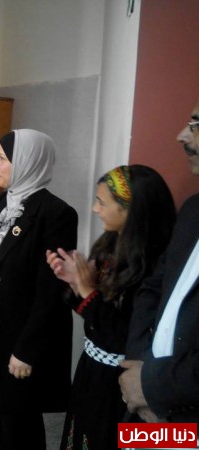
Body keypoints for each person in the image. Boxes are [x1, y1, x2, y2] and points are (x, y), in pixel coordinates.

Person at [0, 129, 77, 450]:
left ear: (26, 162)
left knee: (21, 420)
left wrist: (27, 349)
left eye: (2, 158)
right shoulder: (0, 202)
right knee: (0, 410)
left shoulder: (56, 214)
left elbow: (51, 293)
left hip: (20, 337)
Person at [46, 165, 176, 450]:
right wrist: (75, 284)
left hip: (121, 380)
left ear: (132, 210)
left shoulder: (155, 265)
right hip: (92, 369)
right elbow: (95, 318)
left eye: (102, 202)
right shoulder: (109, 245)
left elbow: (122, 337)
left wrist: (87, 290)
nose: (95, 209)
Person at [119, 96, 199, 428]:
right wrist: (139, 370)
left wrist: (155, 385)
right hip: (147, 407)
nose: (181, 135)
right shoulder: (192, 210)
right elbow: (152, 289)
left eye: (196, 125)